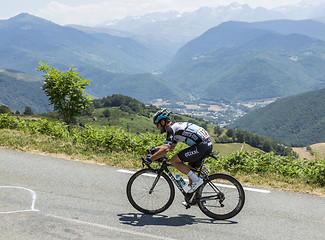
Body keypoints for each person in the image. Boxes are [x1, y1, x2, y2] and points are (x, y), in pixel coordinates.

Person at [143, 109, 213, 193]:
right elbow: (171, 147)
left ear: (162, 122)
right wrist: (155, 150)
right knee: (190, 170)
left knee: (174, 161)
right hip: (206, 145)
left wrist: (151, 159)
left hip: (201, 146)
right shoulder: (174, 128)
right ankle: (196, 199)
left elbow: (166, 149)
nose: (157, 128)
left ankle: (197, 181)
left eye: (157, 125)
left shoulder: (170, 129)